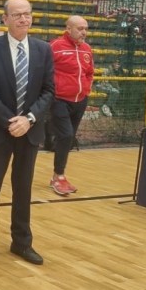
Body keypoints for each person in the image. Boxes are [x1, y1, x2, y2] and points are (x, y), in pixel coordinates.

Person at [0, 0, 54, 266]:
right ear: (5, 19)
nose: (23, 19)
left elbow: (48, 91)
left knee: (23, 187)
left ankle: (21, 242)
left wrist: (28, 119)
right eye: (17, 14)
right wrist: (12, 121)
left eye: (27, 14)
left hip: (29, 130)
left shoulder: (43, 49)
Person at [47, 16, 93, 196]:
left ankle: (58, 175)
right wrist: (52, 91)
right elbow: (44, 70)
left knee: (69, 138)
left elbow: (89, 73)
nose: (84, 32)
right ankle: (58, 176)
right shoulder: (55, 46)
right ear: (68, 29)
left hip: (80, 100)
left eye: (86, 29)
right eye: (80, 28)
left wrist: (86, 89)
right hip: (59, 100)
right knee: (65, 135)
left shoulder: (87, 49)